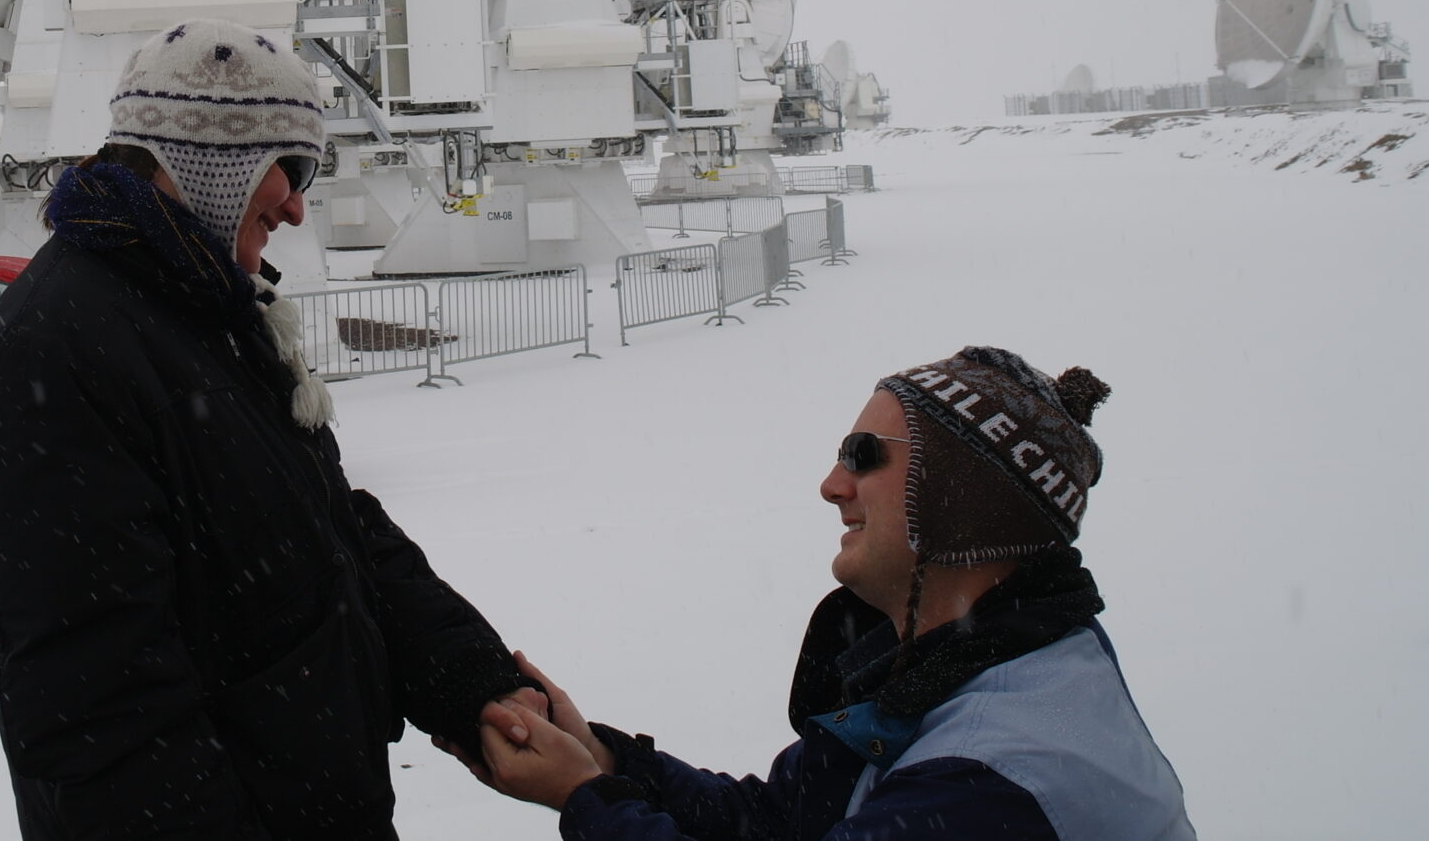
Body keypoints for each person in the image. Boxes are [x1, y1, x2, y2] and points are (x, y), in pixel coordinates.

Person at [0, 18, 542, 839]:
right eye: (289, 168)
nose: (299, 207)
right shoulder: (62, 350)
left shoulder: (212, 311)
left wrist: (471, 677)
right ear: (210, 161)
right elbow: (105, 722)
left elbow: (335, 536)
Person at [463, 347, 1196, 841]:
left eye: (863, 456)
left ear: (956, 502)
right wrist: (605, 761)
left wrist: (585, 799)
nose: (831, 484)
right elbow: (782, 817)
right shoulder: (961, 666)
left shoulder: (997, 772)